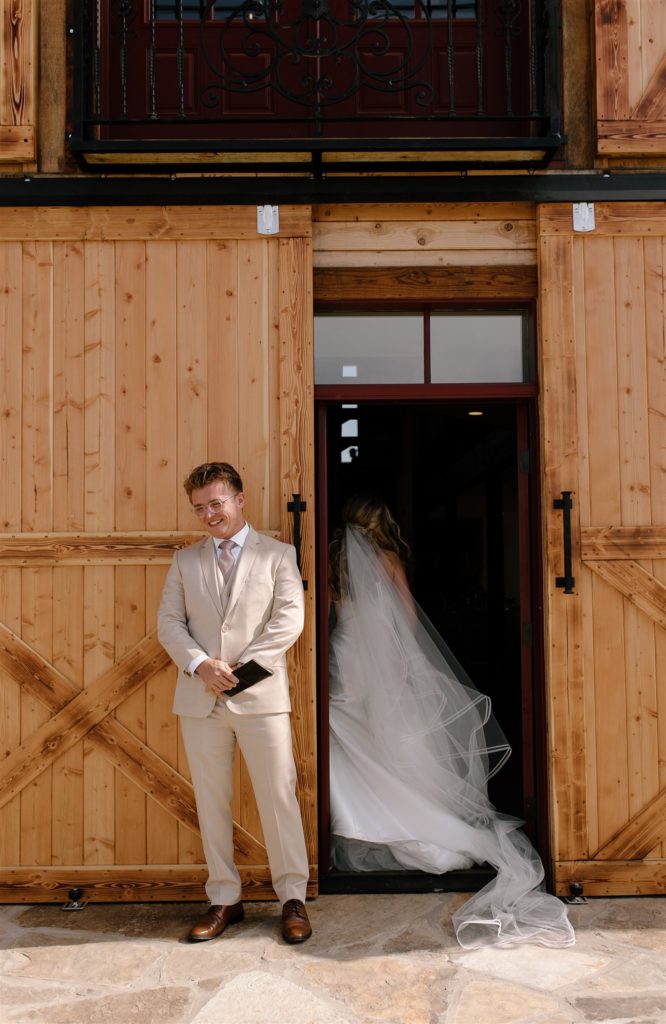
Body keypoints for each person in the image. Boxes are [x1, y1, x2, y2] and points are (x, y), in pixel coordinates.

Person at [328, 495, 574, 949]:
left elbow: (332, 615)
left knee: (348, 735)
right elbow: (406, 617)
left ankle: (365, 826)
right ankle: (417, 822)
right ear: (382, 524)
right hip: (379, 656)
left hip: (347, 656)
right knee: (396, 741)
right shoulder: (389, 560)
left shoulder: (333, 563)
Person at [158, 461, 311, 944]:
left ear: (239, 500)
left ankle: (293, 898)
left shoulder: (279, 555)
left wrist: (239, 675)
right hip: (200, 699)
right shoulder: (186, 561)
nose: (209, 514)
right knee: (211, 801)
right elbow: (169, 623)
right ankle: (225, 898)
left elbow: (289, 620)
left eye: (216, 503)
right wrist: (202, 664)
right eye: (199, 508)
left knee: (279, 797)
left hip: (260, 698)